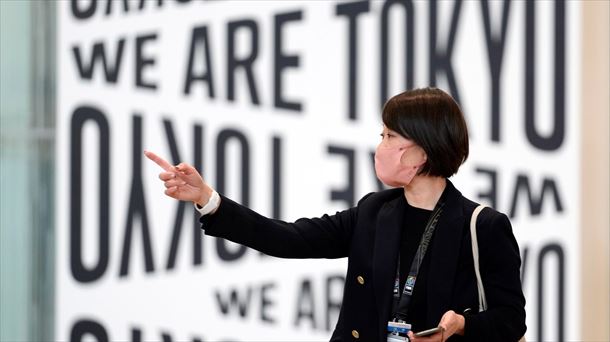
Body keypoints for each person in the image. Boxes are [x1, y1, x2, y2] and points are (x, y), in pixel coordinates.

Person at [145, 87, 526, 342]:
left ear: (420, 151)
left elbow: (511, 320)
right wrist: (210, 199)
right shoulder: (374, 212)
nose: (381, 145)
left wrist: (462, 325)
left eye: (390, 137)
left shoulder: (482, 227)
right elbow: (289, 238)